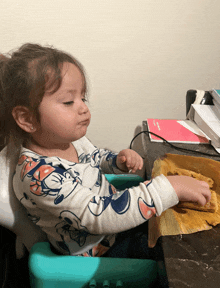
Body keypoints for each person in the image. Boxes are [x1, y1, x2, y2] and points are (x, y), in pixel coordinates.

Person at [0, 43, 211, 258]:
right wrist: (166, 189)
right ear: (27, 119)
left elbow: (93, 157)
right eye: (68, 102)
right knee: (177, 251)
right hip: (100, 248)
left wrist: (116, 161)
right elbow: (97, 216)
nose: (83, 108)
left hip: (115, 222)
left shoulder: (69, 140)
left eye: (83, 98)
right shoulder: (38, 176)